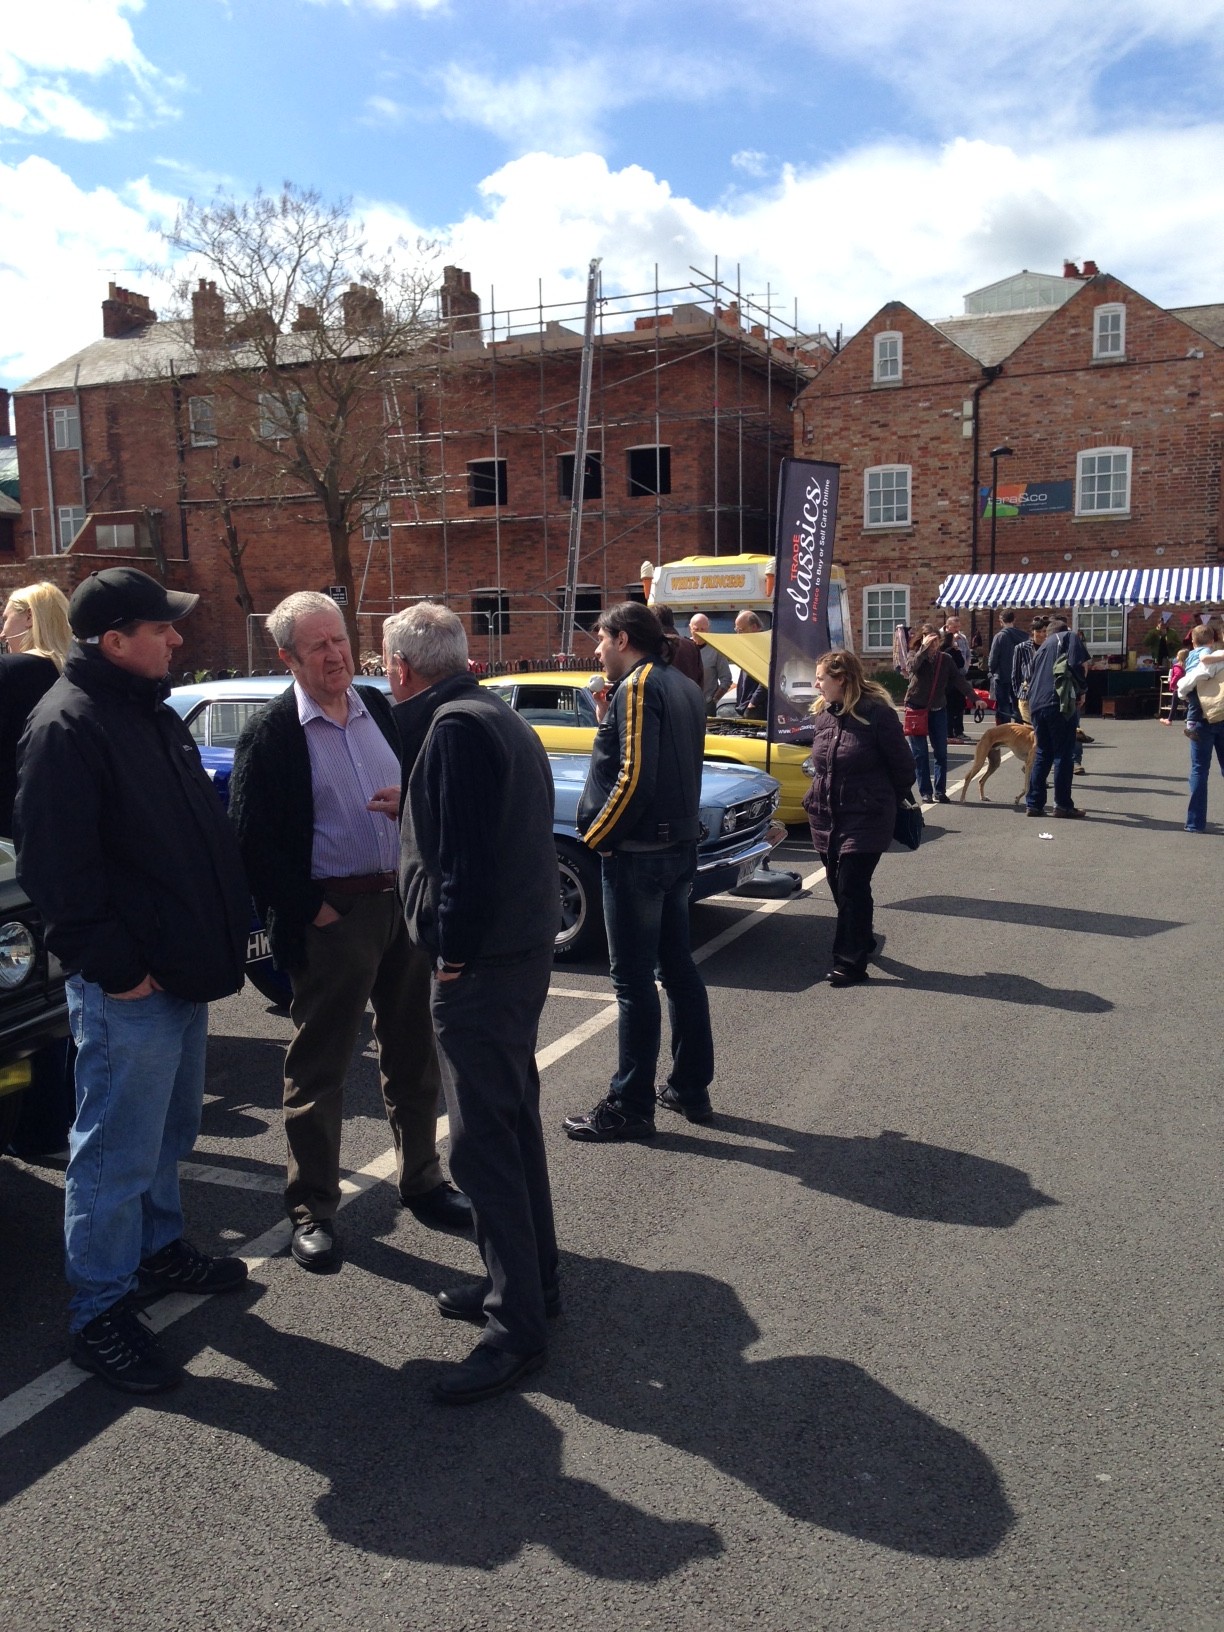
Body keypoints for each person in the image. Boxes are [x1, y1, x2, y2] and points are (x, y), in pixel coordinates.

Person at [14, 567, 252, 1394]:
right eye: (162, 628)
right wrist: (119, 971)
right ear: (115, 640)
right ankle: (99, 1310)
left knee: (165, 1132)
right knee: (113, 1152)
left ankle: (158, 1248)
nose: (178, 638)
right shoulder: (68, 726)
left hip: (175, 974)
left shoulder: (146, 713)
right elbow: (57, 872)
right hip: (132, 986)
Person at [229, 591, 469, 1275]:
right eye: (317, 647)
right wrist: (312, 909)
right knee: (320, 1068)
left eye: (339, 640)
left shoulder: (380, 708)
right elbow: (251, 841)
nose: (334, 655)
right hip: (333, 919)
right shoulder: (274, 733)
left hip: (401, 905)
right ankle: (312, 1210)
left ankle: (423, 1178)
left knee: (414, 1054)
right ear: (288, 657)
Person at [388, 604, 561, 1406]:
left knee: (485, 1144)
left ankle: (516, 1327)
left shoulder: (454, 727)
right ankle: (526, 1284)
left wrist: (451, 955)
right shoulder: (489, 711)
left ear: (399, 667)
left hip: (483, 966)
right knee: (512, 1124)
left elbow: (462, 863)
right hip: (517, 953)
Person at [564, 603, 714, 1141]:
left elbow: (634, 777)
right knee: (678, 970)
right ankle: (690, 1087)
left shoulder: (641, 685)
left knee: (633, 981)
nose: (597, 650)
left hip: (639, 854)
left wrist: (601, 840)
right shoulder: (680, 684)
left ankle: (630, 1104)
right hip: (674, 849)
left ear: (623, 638)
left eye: (602, 640)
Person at [803, 649, 916, 987]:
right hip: (826, 817)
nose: (816, 684)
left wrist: (879, 798)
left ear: (841, 679)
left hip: (866, 817)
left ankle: (849, 962)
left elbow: (904, 768)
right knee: (841, 885)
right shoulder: (823, 714)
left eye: (821, 678)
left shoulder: (878, 716)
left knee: (852, 885)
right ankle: (862, 938)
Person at [0, 582, 72, 836]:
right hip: (66, 818)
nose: (2, 634)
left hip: (12, 821)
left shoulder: (8, 669)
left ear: (29, 616)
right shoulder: (77, 674)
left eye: (6, 620)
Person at [1024, 616, 1088, 819]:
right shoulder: (1069, 637)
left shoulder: (1041, 648)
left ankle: (1034, 804)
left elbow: (1030, 675)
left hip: (1036, 703)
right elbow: (1077, 664)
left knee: (1043, 752)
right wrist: (1081, 690)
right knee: (1063, 754)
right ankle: (1062, 805)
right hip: (1057, 702)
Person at [904, 626, 976, 803]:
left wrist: (974, 698)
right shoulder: (915, 655)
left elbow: (959, 680)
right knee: (920, 754)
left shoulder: (945, 659)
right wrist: (922, 650)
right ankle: (925, 792)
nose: (934, 644)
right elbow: (911, 668)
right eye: (930, 640)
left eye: (936, 640)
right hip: (916, 708)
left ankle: (940, 791)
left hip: (938, 710)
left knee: (941, 753)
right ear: (922, 640)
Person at [1176, 625, 1224, 833]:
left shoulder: (1199, 659)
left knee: (1199, 770)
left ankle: (1195, 823)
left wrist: (1182, 691)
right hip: (1222, 713)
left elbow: (1185, 685)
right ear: (1213, 640)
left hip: (1202, 720)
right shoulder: (1218, 657)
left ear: (1193, 643)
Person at [987, 611, 1028, 726]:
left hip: (1002, 675)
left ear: (1001, 621)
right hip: (1020, 676)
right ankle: (1019, 729)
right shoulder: (1024, 636)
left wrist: (991, 671)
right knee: (1018, 705)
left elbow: (993, 657)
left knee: (1004, 705)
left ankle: (1005, 730)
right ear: (1014, 620)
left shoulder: (1000, 636)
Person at [689, 613, 732, 715]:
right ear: (690, 629)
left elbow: (726, 679)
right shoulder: (683, 647)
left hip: (706, 706)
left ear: (708, 629)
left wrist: (714, 700)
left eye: (702, 629)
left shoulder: (716, 650)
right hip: (686, 704)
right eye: (696, 629)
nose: (699, 632)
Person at [1011, 616, 1050, 724]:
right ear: (1032, 631)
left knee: (1042, 727)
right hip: (1026, 693)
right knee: (1029, 727)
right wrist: (1018, 692)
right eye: (1038, 631)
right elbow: (1015, 673)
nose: (1042, 634)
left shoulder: (1050, 647)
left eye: (1044, 631)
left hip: (1044, 695)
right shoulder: (1021, 648)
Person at [733, 609, 768, 719]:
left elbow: (767, 678)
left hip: (758, 708)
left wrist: (753, 703)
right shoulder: (748, 646)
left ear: (754, 627)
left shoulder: (765, 646)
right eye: (736, 630)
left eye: (741, 630)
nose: (738, 634)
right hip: (746, 707)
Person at [656, 604, 703, 687]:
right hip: (690, 698)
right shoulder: (691, 646)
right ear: (672, 621)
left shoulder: (653, 646)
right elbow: (700, 681)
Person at [943, 616, 972, 742]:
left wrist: (966, 666)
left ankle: (959, 731)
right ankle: (949, 732)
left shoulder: (963, 638)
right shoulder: (943, 637)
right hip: (948, 678)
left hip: (961, 675)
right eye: (954, 627)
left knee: (960, 705)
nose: (956, 630)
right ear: (948, 626)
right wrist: (952, 643)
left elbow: (967, 654)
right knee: (949, 706)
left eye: (958, 627)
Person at [1161, 648, 1190, 726]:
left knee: (1175, 703)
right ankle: (1188, 716)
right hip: (1187, 686)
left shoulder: (1177, 666)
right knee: (1185, 702)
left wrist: (1172, 684)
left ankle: (1170, 720)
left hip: (1178, 687)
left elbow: (1177, 675)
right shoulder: (1189, 665)